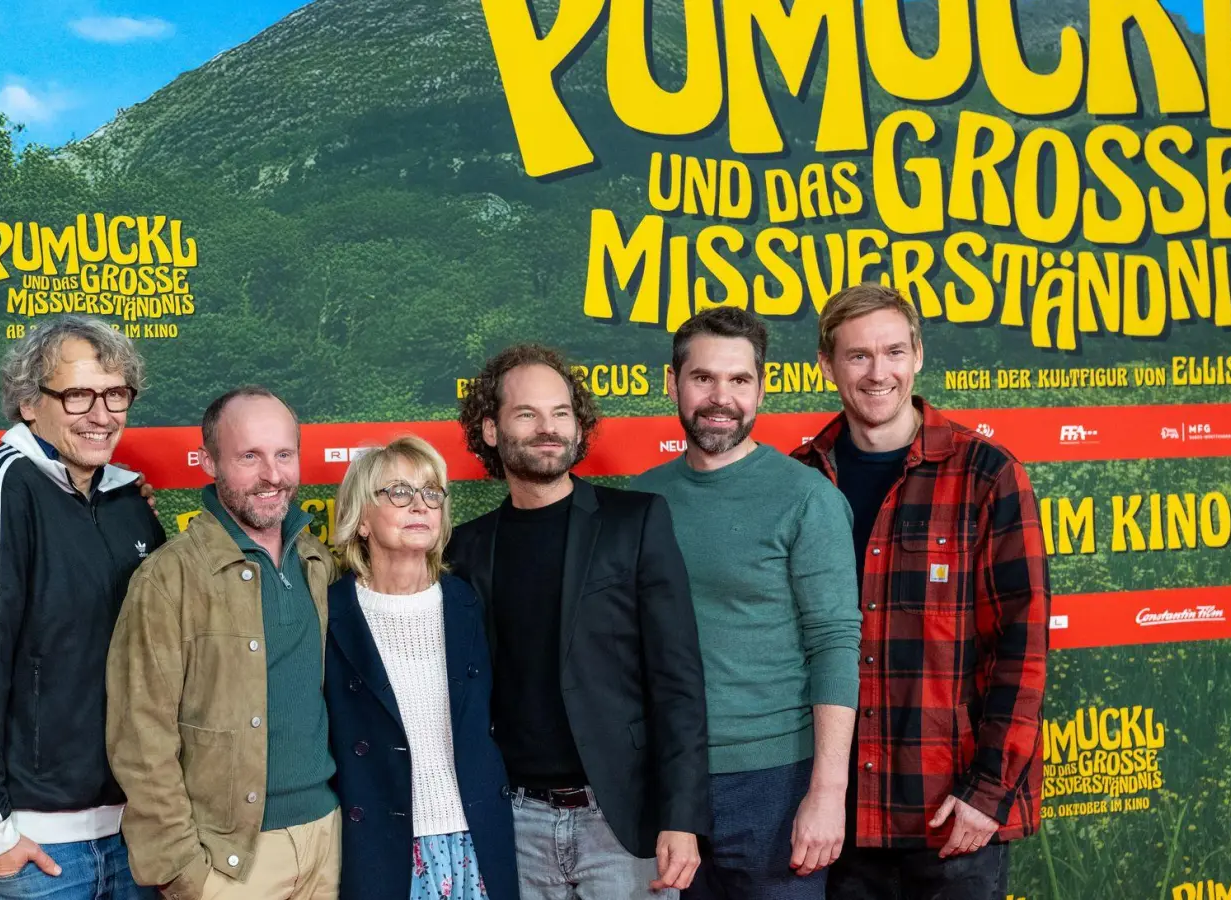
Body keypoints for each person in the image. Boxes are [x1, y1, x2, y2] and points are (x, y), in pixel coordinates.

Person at [789, 284, 1050, 900]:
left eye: (894, 352)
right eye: (857, 356)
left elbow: (1024, 646)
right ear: (826, 365)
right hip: (837, 824)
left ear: (918, 356)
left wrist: (989, 793)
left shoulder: (988, 474)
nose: (879, 373)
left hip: (951, 819)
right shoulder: (798, 481)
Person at [445, 344, 709, 899]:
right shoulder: (465, 548)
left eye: (561, 413)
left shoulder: (634, 523)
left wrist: (681, 817)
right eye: (527, 414)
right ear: (490, 430)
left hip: (621, 820)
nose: (548, 428)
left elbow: (678, 683)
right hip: (514, 823)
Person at [631, 307, 861, 900]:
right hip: (665, 778)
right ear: (673, 384)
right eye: (703, 378)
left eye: (739, 380)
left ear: (762, 387)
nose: (720, 397)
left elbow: (835, 643)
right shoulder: (641, 500)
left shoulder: (807, 498)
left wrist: (827, 792)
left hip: (775, 782)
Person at [0, 315, 166, 899]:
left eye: (116, 394)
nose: (101, 414)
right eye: (78, 395)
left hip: (134, 833)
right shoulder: (1, 488)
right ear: (28, 403)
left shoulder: (125, 499)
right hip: (38, 850)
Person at [108, 386, 339, 900]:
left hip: (327, 839)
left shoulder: (317, 563)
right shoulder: (168, 579)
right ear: (210, 461)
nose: (272, 475)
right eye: (249, 457)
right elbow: (140, 736)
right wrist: (183, 871)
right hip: (229, 862)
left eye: (283, 454)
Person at [324, 436, 519, 900]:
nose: (420, 505)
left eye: (431, 493)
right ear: (362, 519)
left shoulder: (468, 602)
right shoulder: (329, 614)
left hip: (474, 838)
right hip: (379, 847)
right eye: (399, 492)